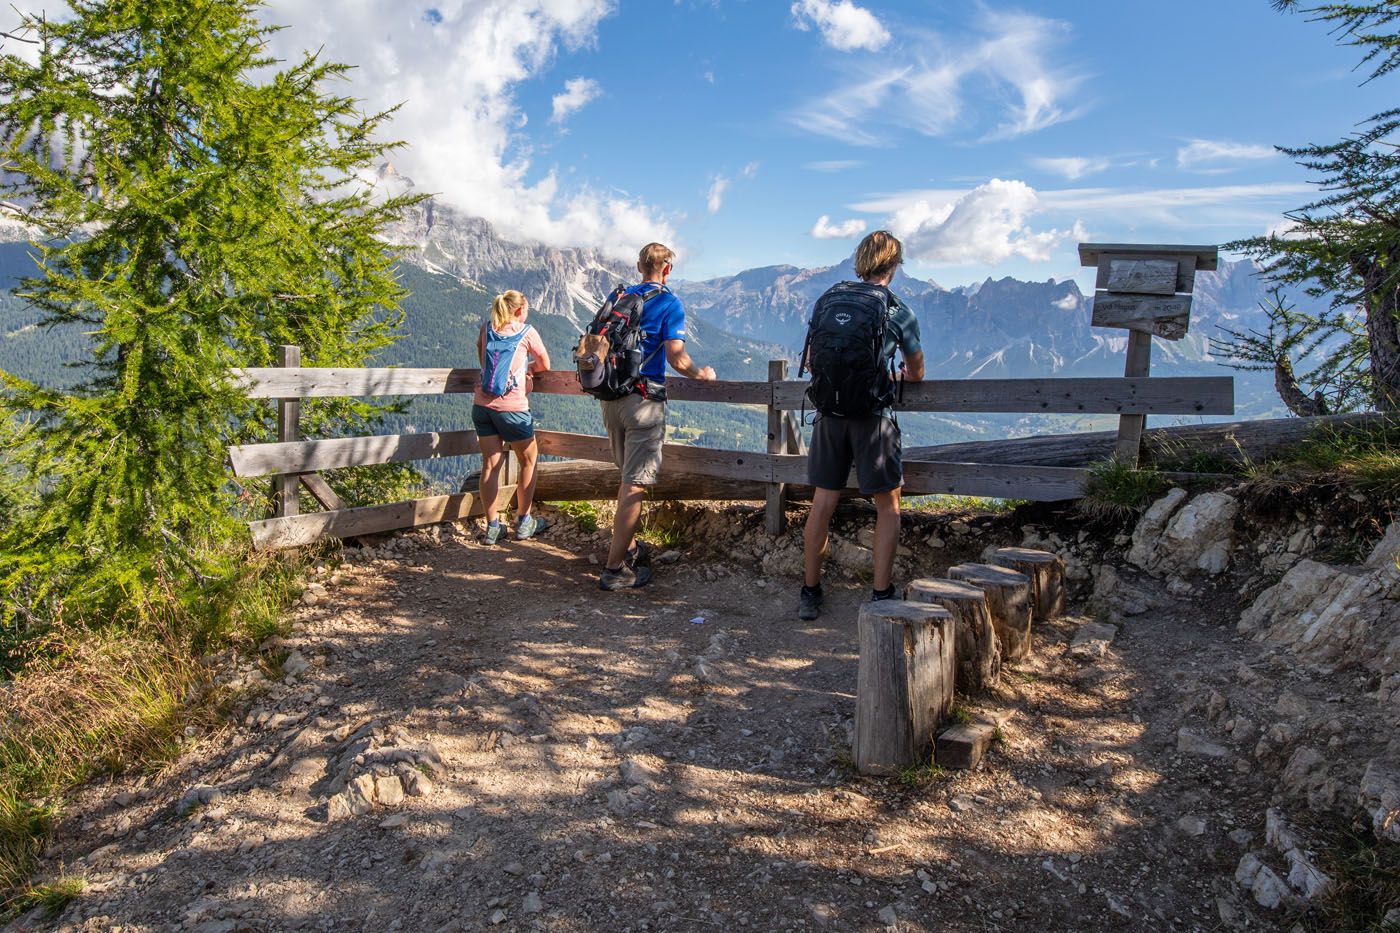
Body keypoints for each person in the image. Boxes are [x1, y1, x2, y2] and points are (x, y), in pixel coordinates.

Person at [798, 230, 924, 620]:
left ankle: (810, 591)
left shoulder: (829, 298)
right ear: (893, 265)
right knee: (888, 504)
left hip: (829, 415)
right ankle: (881, 592)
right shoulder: (896, 310)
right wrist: (902, 370)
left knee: (823, 501)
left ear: (861, 261)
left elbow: (809, 359)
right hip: (873, 419)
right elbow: (916, 372)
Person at [598, 243, 716, 590]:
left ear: (639, 266)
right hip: (644, 401)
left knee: (626, 477)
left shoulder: (619, 296)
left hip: (610, 396)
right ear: (667, 269)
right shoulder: (669, 302)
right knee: (634, 484)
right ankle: (614, 569)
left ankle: (630, 548)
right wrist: (703, 375)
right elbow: (677, 358)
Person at [473, 290, 551, 544]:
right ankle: (524, 521)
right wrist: (527, 369)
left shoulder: (487, 328)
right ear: (519, 310)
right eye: (526, 308)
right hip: (513, 409)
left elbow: (480, 352)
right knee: (528, 462)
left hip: (483, 406)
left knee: (490, 465)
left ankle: (493, 526)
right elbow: (544, 365)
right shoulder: (526, 331)